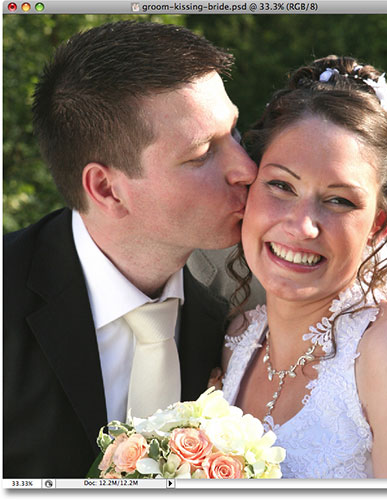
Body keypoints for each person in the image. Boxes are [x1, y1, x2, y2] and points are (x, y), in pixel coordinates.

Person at [3, 20, 258, 479]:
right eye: (202, 153)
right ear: (107, 189)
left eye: (234, 133)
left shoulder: (258, 297)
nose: (246, 168)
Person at [221, 56, 387, 478]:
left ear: (378, 222)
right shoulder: (236, 341)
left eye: (339, 200)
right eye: (281, 185)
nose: (302, 226)